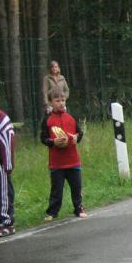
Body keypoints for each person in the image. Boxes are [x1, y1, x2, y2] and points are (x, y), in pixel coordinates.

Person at [40, 87, 87, 220]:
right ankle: (52, 212)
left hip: (73, 161)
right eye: (57, 100)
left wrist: (76, 137)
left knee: (76, 187)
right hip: (57, 163)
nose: (61, 103)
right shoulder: (47, 119)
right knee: (57, 190)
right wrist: (53, 142)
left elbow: (79, 133)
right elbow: (43, 138)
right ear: (50, 102)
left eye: (63, 100)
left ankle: (79, 208)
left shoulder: (71, 117)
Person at [0, 89, 16, 237]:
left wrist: (7, 164)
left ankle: (6, 222)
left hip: (0, 164)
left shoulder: (1, 119)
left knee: (3, 193)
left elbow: (7, 140)